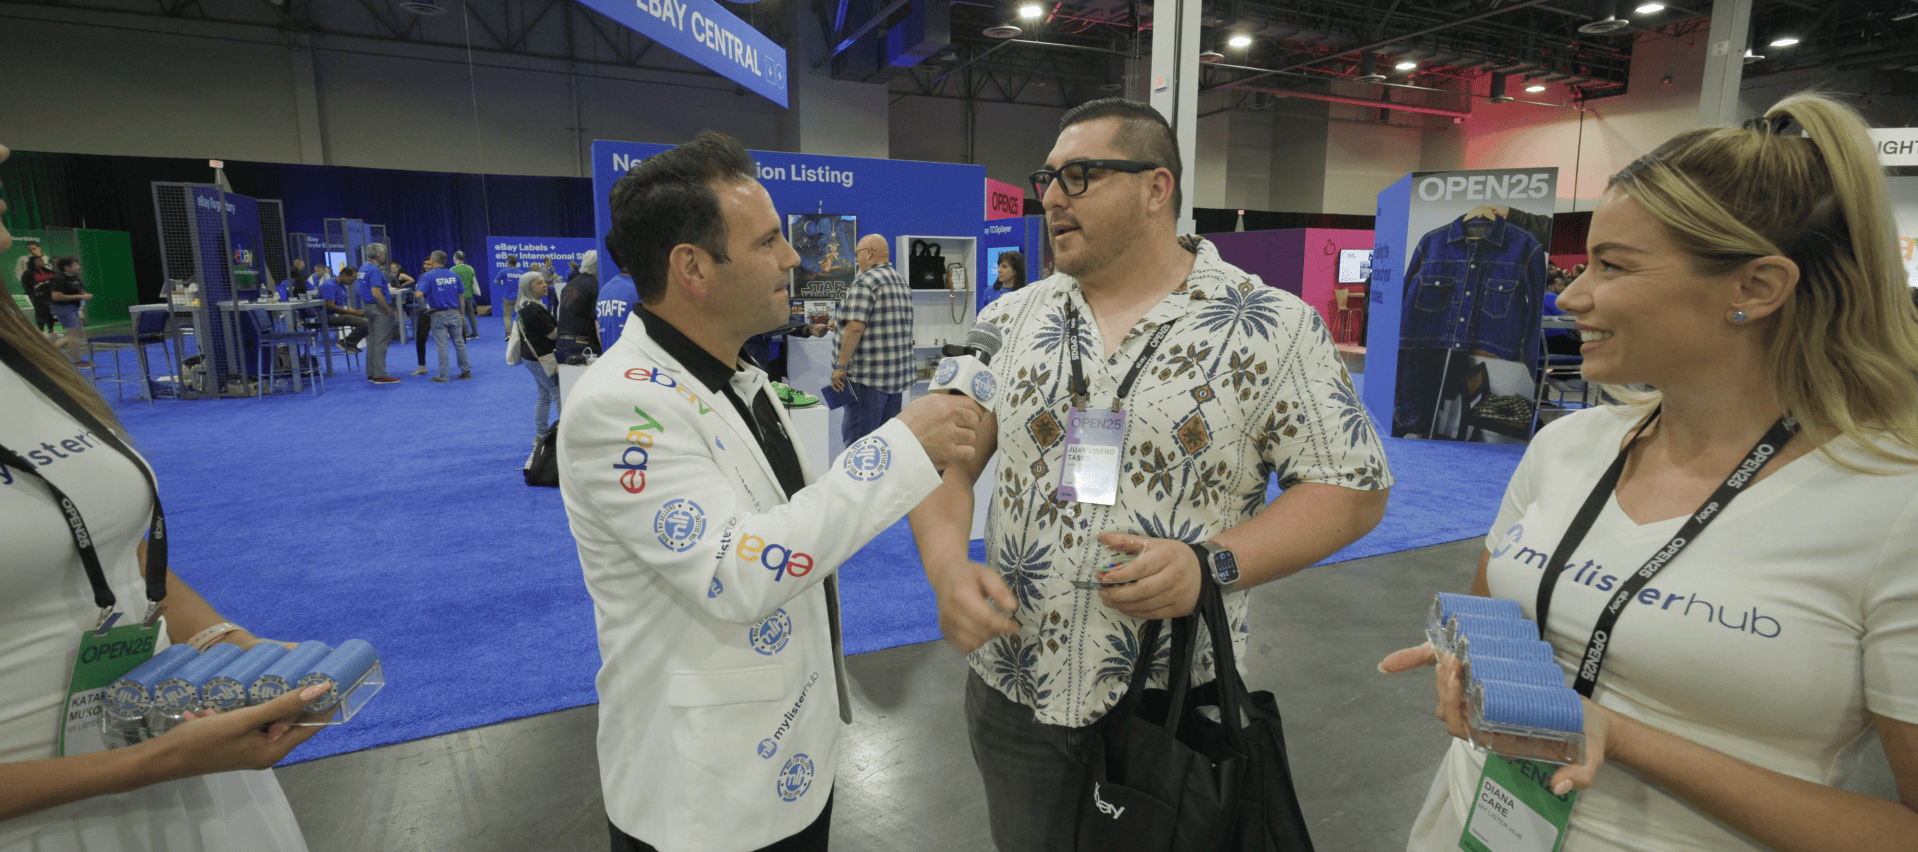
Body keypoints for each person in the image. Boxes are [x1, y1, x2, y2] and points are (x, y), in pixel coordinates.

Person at [1381, 93, 1918, 851]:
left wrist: (1622, 735)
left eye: (1614, 266)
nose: (1571, 295)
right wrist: (1467, 665)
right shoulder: (1569, 445)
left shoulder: (1894, 508)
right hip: (1471, 822)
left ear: (1756, 288)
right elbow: (1493, 612)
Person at [905, 98, 1393, 851]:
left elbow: (1352, 487)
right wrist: (946, 571)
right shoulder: (1007, 320)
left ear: (1156, 187)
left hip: (1169, 707)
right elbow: (945, 460)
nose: (1052, 196)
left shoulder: (1271, 326)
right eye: (1047, 178)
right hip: (1014, 692)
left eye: (1079, 175)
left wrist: (1211, 564)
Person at [557, 129, 982, 852]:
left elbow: (797, 533)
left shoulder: (734, 376)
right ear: (692, 267)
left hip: (791, 761)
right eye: (768, 241)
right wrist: (903, 447)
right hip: (705, 796)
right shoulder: (622, 407)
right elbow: (737, 570)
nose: (793, 258)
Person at [0, 143, 330, 849]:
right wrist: (143, 765)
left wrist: (227, 644)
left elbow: (117, 545)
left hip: (180, 749)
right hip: (57, 814)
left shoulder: (23, 358)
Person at [829, 234, 914, 446]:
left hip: (866, 379)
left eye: (857, 253)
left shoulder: (865, 282)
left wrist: (840, 366)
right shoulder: (900, 281)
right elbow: (883, 323)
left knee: (858, 444)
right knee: (883, 445)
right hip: (894, 378)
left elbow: (856, 327)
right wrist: (839, 324)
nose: (856, 259)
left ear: (868, 253)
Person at [508, 271, 559, 445]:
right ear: (528, 288)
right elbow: (552, 334)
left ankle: (540, 434)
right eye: (539, 283)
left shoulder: (523, 305)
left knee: (544, 395)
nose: (545, 285)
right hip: (542, 358)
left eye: (544, 282)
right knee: (557, 393)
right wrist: (569, 326)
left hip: (533, 357)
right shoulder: (534, 308)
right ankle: (564, 433)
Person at [414, 251, 471, 382]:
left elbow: (418, 295)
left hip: (438, 314)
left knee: (442, 345)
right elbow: (461, 297)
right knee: (459, 343)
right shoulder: (454, 274)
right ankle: (466, 371)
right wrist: (462, 315)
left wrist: (424, 309)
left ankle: (444, 375)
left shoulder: (428, 275)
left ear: (433, 260)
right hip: (455, 312)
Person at [357, 243, 400, 384]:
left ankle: (371, 373)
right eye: (384, 254)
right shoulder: (375, 270)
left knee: (372, 341)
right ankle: (380, 374)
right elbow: (376, 293)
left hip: (367, 306)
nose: (384, 256)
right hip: (378, 308)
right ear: (379, 255)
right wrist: (388, 309)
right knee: (381, 342)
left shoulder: (363, 268)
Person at [555, 250, 601, 364]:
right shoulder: (594, 286)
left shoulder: (569, 285)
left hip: (561, 344)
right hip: (583, 346)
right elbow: (597, 323)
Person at [45, 257, 91, 368]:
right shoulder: (58, 278)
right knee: (73, 335)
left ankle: (50, 350)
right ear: (66, 268)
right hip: (62, 308)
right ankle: (77, 361)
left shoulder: (73, 278)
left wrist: (83, 294)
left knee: (79, 333)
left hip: (72, 307)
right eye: (75, 265)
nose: (78, 267)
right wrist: (79, 296)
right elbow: (56, 296)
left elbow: (79, 290)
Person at [319, 265, 367, 353]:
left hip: (340, 314)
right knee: (366, 323)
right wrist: (354, 313)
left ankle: (351, 343)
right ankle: (347, 343)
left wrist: (357, 312)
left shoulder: (342, 286)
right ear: (344, 275)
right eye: (351, 279)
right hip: (330, 316)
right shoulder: (328, 285)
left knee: (371, 319)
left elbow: (346, 306)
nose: (352, 282)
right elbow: (331, 306)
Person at [595, 266, 638, 351]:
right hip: (632, 355)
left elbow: (598, 328)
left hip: (608, 355)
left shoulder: (604, 290)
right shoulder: (638, 290)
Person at [19, 253, 55, 340]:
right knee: (40, 313)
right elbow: (26, 285)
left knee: (50, 312)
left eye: (42, 260)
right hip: (37, 297)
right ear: (33, 262)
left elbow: (55, 280)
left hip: (49, 296)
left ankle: (51, 330)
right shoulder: (28, 273)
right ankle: (41, 330)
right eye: (39, 260)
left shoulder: (48, 271)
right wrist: (32, 295)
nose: (41, 262)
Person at [493, 254, 525, 338]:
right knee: (520, 315)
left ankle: (509, 333)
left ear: (508, 262)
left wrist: (503, 283)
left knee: (507, 316)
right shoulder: (521, 273)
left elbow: (496, 281)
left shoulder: (503, 271)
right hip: (519, 298)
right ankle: (522, 332)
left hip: (507, 297)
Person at [450, 250, 479, 339]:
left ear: (455, 258)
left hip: (459, 296)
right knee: (471, 314)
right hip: (469, 295)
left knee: (461, 315)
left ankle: (466, 334)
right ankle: (475, 333)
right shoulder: (470, 268)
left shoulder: (452, 270)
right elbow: (473, 282)